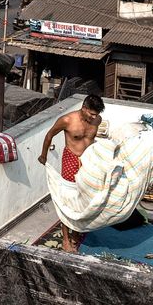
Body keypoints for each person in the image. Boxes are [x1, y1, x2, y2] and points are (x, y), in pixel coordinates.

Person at [38, 94, 106, 252]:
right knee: (68, 199)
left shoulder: (97, 120)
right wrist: (43, 155)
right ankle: (66, 240)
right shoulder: (67, 120)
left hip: (88, 160)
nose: (94, 117)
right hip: (71, 159)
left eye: (96, 114)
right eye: (92, 114)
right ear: (84, 108)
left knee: (84, 197)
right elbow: (49, 135)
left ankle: (76, 233)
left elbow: (92, 140)